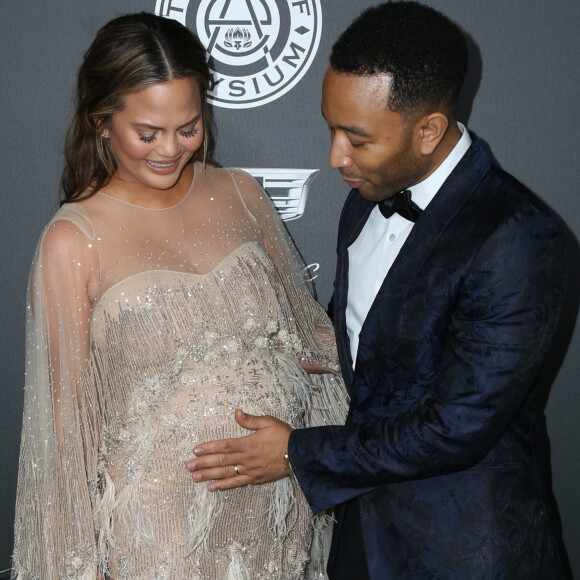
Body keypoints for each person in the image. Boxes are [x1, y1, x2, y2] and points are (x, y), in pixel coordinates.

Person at [187, 2, 569, 578]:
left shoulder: (516, 238)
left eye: (357, 139)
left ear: (429, 130)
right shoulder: (364, 198)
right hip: (363, 535)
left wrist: (296, 452)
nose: (335, 156)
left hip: (464, 548)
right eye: (330, 127)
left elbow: (455, 427)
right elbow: (366, 336)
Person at [12, 12, 348, 580]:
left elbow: (314, 345)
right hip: (162, 541)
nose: (170, 150)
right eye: (148, 133)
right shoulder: (72, 240)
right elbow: (67, 436)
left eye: (187, 127)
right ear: (102, 121)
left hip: (275, 520)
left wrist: (318, 455)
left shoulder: (241, 193)